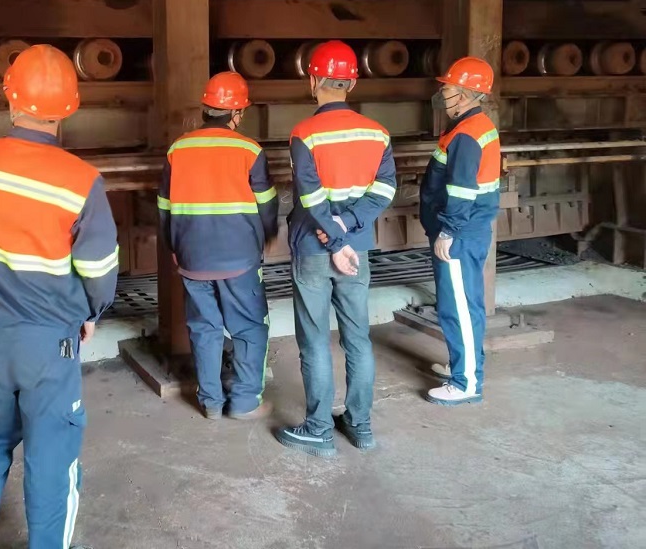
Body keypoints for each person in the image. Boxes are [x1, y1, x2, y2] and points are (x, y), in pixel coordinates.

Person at [0, 45, 119, 549]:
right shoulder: (81, 181)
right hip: (49, 341)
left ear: (9, 97)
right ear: (69, 108)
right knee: (52, 449)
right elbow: (99, 271)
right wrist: (91, 313)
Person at [274, 40, 396, 458]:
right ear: (352, 84)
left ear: (313, 81)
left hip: (315, 246)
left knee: (314, 340)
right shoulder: (377, 133)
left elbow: (310, 197)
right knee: (358, 338)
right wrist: (349, 229)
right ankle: (360, 426)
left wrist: (334, 236)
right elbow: (385, 189)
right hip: (356, 251)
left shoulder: (304, 133)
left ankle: (319, 430)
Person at [157, 71, 279, 420]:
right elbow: (266, 203)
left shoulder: (178, 149)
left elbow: (164, 205)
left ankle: (210, 402)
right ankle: (244, 402)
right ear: (237, 113)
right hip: (239, 259)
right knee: (249, 327)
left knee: (204, 329)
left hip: (192, 257)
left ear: (206, 109)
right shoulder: (249, 150)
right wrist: (268, 235)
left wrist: (174, 246)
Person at [420, 57, 501, 406]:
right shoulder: (474, 126)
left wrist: (448, 232)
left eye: (448, 89)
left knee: (459, 308)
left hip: (460, 232)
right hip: (469, 229)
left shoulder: (467, 135)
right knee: (466, 304)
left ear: (466, 94)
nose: (442, 94)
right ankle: (464, 366)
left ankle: (465, 383)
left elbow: (462, 190)